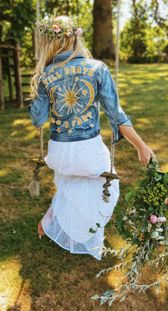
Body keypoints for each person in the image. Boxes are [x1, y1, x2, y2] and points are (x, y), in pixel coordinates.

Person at [28, 15, 156, 260]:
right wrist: (140, 146)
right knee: (107, 185)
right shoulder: (96, 68)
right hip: (88, 153)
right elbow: (116, 115)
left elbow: (37, 120)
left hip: (58, 154)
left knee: (69, 180)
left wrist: (39, 85)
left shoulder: (47, 74)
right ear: (76, 37)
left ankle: (52, 217)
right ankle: (60, 219)